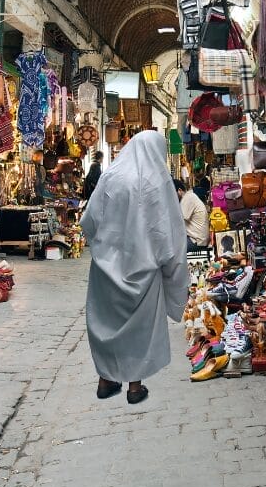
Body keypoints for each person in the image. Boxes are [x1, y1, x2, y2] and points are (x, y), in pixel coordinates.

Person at [80, 133, 188, 404]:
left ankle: (106, 381)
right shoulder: (156, 181)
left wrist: (103, 249)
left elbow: (88, 220)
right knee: (139, 331)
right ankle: (135, 387)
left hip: (105, 269)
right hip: (143, 269)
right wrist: (171, 267)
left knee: (107, 325)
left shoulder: (111, 176)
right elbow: (168, 231)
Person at [174, 179, 210, 251]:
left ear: (180, 190)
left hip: (197, 240)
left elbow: (178, 221)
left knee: (171, 249)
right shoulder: (188, 197)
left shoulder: (188, 198)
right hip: (196, 237)